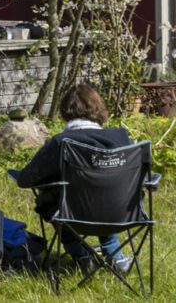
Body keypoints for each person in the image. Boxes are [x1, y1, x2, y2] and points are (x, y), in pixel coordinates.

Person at [11, 84, 132, 272]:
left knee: (55, 200)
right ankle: (116, 256)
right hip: (121, 213)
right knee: (104, 194)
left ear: (65, 113)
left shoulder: (60, 143)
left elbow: (26, 180)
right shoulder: (121, 138)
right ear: (99, 109)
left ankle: (81, 256)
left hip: (73, 217)